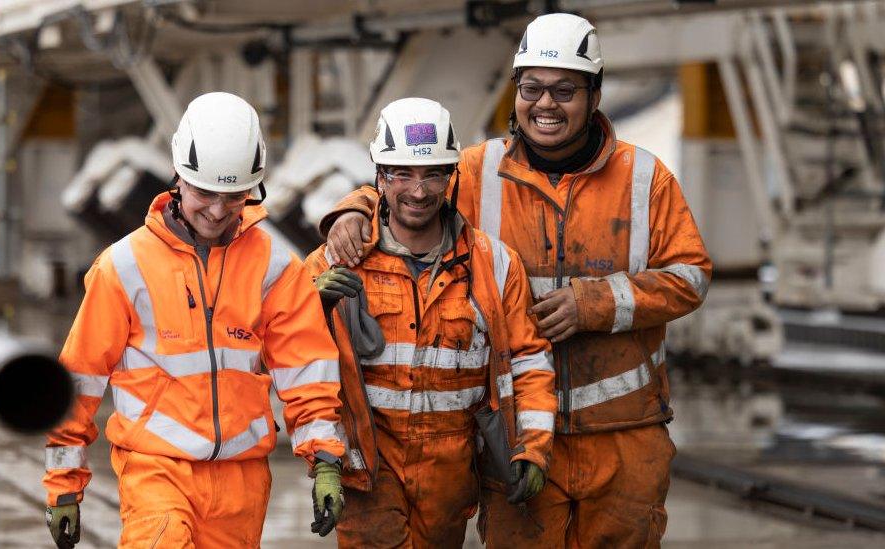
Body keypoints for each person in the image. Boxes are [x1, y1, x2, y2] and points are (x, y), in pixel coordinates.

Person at [320, 14, 712, 548]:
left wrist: (595, 303)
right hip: (515, 437)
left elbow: (690, 276)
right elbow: (410, 189)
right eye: (531, 88)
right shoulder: (479, 171)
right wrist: (350, 210)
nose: (545, 104)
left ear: (594, 95)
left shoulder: (644, 178)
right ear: (516, 92)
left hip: (623, 435)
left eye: (564, 90)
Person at [43, 92, 346, 548]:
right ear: (178, 179)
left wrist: (324, 460)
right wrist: (64, 480)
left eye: (234, 196)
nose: (218, 211)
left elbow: (307, 372)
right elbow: (80, 378)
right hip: (155, 471)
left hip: (241, 485)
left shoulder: (276, 268)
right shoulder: (124, 267)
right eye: (205, 193)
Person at [305, 97, 557, 548]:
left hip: (451, 476)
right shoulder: (335, 263)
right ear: (379, 176)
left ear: (450, 177)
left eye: (432, 174)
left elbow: (529, 361)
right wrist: (323, 460)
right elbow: (302, 369)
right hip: (370, 473)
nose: (418, 191)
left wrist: (533, 448)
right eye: (402, 173)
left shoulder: (494, 265)